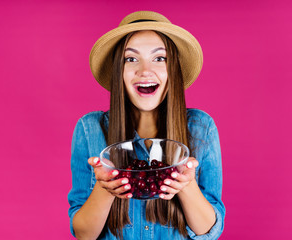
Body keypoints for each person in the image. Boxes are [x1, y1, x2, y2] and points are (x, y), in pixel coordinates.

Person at [68, 11, 225, 240]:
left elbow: (210, 231)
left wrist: (186, 185)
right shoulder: (89, 129)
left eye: (160, 58)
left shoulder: (201, 127)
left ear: (174, 69)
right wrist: (105, 189)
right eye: (131, 59)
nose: (144, 70)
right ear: (118, 71)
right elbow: (83, 234)